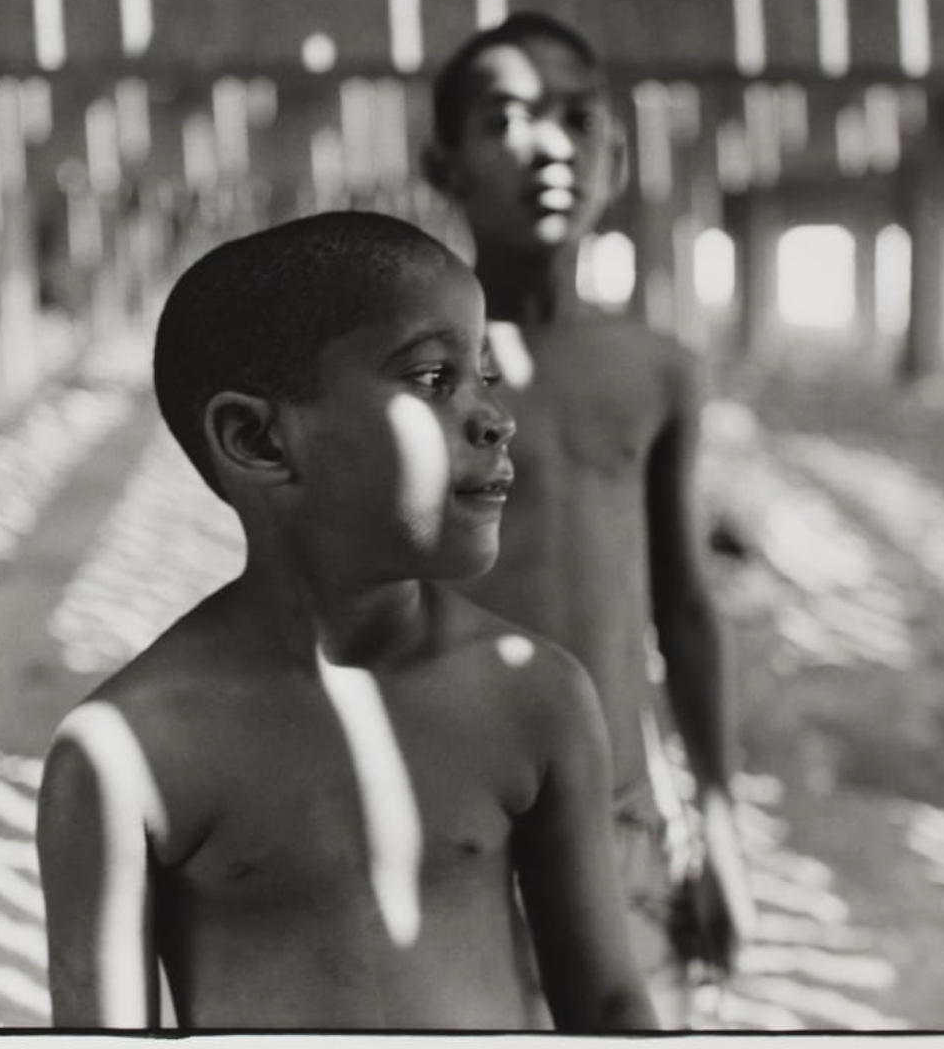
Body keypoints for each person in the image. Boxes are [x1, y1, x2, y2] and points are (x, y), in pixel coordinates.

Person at [34, 210, 657, 1032]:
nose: (496, 418)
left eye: (486, 376)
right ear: (257, 439)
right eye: (434, 379)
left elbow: (608, 1003)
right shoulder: (132, 750)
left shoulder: (536, 697)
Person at [423, 12, 757, 1026]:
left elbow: (683, 612)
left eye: (576, 118)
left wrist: (718, 825)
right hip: (446, 817)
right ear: (443, 165)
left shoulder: (656, 372)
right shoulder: (408, 377)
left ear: (613, 158)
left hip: (617, 815)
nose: (550, 146)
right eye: (505, 119)